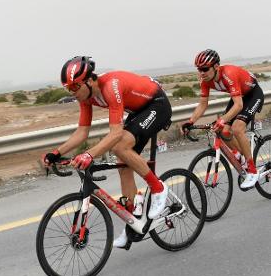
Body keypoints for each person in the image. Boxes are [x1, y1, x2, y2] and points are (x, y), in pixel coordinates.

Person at [43, 56, 171, 249]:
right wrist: (56, 152)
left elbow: (116, 133)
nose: (72, 93)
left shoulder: (111, 86)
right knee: (123, 166)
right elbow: (82, 132)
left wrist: (89, 155)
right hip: (138, 111)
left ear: (89, 80)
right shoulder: (86, 97)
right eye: (68, 89)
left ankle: (158, 188)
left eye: (75, 87)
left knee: (119, 146)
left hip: (157, 104)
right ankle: (133, 226)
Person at [180, 49, 264, 189]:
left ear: (216, 67)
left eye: (205, 69)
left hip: (253, 94)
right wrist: (191, 121)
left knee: (237, 128)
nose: (201, 72)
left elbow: (238, 105)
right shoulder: (205, 80)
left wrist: (222, 119)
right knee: (224, 131)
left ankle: (253, 171)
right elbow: (203, 104)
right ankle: (240, 155)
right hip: (240, 96)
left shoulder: (228, 74)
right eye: (199, 69)